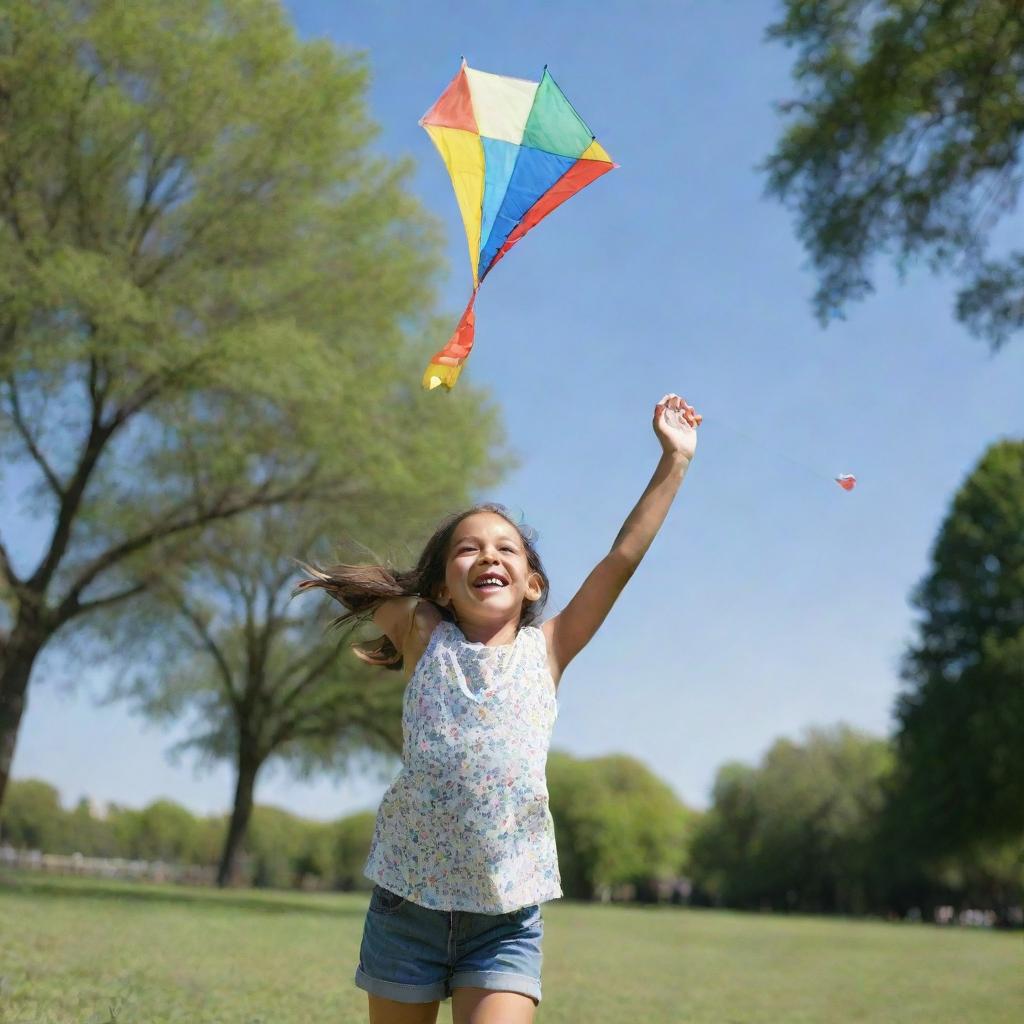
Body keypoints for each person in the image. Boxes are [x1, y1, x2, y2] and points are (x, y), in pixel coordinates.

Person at [295, 393, 701, 1024]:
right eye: (468, 549)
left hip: (504, 916)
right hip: (408, 906)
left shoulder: (551, 650)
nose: (488, 556)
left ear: (532, 583)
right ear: (439, 585)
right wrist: (334, 578)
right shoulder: (423, 634)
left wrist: (673, 461)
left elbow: (622, 559)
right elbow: (368, 587)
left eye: (507, 549)